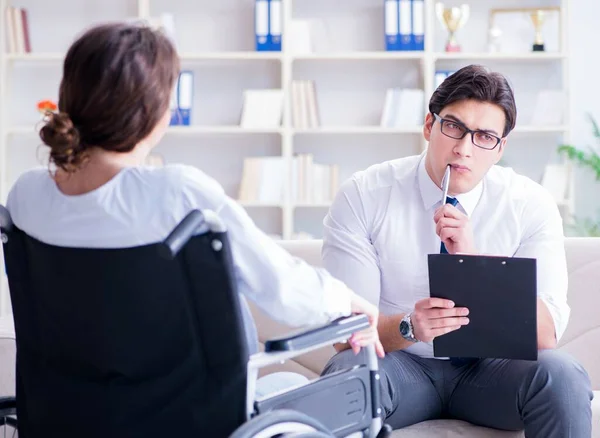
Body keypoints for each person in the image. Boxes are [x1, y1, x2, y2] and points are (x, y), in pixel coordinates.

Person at [5, 22, 384, 392]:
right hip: (189, 418)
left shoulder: (26, 196)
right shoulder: (179, 195)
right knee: (304, 386)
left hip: (69, 414)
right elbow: (284, 292)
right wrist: (346, 301)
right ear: (154, 110)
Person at [320, 64, 593, 437]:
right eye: (454, 127)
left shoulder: (530, 203)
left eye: (484, 137)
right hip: (401, 366)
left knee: (561, 375)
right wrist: (410, 326)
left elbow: (545, 335)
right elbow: (345, 333)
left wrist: (477, 262)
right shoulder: (365, 195)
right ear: (429, 127)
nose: (464, 148)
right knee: (347, 374)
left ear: (499, 149)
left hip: (493, 372)